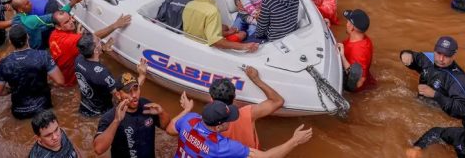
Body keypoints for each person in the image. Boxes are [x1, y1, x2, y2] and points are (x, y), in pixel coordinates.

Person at [167, 95, 313, 158]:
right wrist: (295, 141)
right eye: (228, 120)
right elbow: (266, 157)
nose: (231, 121)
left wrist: (186, 110)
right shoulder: (221, 146)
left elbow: (170, 128)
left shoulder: (189, 119)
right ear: (218, 127)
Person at [0, 25, 65, 120]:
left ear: (10, 42)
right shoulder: (42, 56)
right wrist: (49, 84)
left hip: (19, 112)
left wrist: (12, 90)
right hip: (43, 108)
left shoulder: (5, 63)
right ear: (28, 37)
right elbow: (60, 81)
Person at [93, 72, 169, 158]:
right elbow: (98, 149)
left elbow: (166, 126)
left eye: (136, 89)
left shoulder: (147, 106)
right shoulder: (110, 117)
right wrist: (116, 121)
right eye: (128, 91)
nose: (134, 95)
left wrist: (161, 112)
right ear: (118, 95)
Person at [49, 10, 131, 87]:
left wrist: (79, 37)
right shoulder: (70, 41)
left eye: (70, 18)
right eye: (66, 22)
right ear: (58, 27)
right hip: (70, 83)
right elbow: (93, 38)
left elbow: (73, 50)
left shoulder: (53, 34)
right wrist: (115, 25)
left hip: (57, 75)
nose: (72, 22)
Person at [209, 66, 285, 149]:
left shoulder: (207, 119)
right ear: (234, 97)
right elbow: (278, 101)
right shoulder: (247, 113)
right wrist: (255, 79)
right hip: (252, 154)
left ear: (211, 98)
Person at [76, 34, 147, 117]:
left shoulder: (79, 59)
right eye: (98, 41)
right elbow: (120, 95)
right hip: (100, 112)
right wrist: (142, 75)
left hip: (84, 106)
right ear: (95, 50)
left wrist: (102, 50)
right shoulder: (102, 74)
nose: (100, 40)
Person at [400, 36, 465, 119]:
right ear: (434, 50)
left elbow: (463, 111)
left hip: (438, 115)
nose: (441, 59)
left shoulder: (459, 79)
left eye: (446, 56)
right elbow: (413, 57)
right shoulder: (429, 58)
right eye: (438, 53)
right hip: (419, 104)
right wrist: (405, 55)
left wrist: (435, 95)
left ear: (454, 55)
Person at [182, 0, 258, 52]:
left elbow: (200, 27)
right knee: (242, 34)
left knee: (225, 27)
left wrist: (227, 32)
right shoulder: (212, 10)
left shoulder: (189, 5)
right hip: (207, 47)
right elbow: (216, 42)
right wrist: (245, 46)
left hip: (193, 43)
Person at [337, 9, 375, 92]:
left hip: (356, 92)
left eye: (348, 22)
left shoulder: (358, 51)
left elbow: (360, 82)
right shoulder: (363, 39)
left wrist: (342, 57)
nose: (346, 24)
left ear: (352, 27)